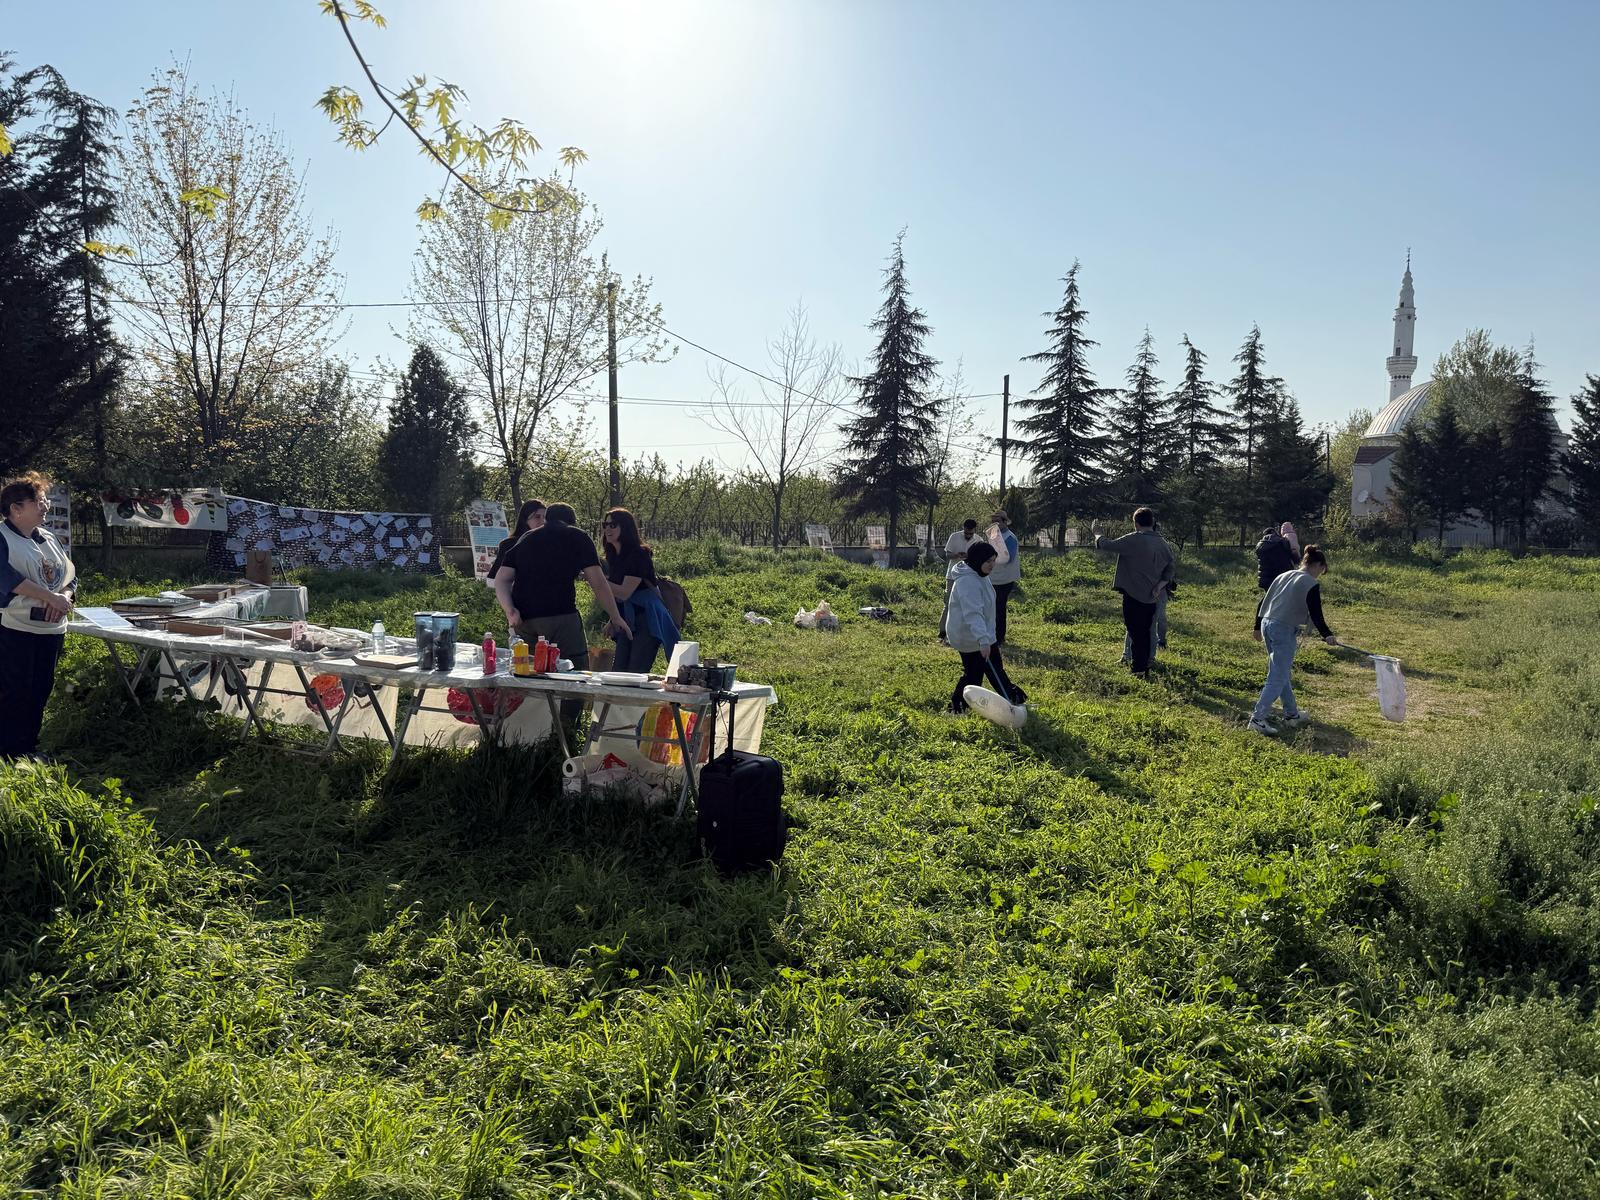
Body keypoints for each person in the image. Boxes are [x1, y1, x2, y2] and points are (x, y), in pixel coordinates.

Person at [493, 502, 632, 722]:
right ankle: (567, 727)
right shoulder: (577, 536)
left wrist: (510, 610)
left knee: (527, 674)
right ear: (572, 522)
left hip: (526, 620)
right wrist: (615, 617)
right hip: (562, 617)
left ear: (547, 519)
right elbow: (598, 582)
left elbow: (501, 579)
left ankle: (527, 727)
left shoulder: (526, 538)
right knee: (575, 674)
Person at [1, 472, 77, 759]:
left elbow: (70, 576)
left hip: (51, 628)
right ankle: (9, 751)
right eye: (38, 501)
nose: (46, 506)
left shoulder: (48, 537)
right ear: (16, 509)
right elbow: (7, 578)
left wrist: (64, 597)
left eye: (45, 500)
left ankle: (29, 748)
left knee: (40, 690)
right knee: (14, 691)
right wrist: (50, 597)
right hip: (15, 629)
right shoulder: (2, 537)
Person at [1249, 544, 1338, 736]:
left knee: (1281, 672)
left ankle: (1291, 715)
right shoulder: (1310, 583)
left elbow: (1264, 601)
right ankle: (1257, 719)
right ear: (1318, 565)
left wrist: (1256, 626)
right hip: (1282, 629)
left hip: (1267, 624)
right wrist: (1327, 635)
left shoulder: (1284, 575)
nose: (1319, 575)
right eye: (1322, 571)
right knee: (1278, 676)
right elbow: (1316, 613)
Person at [1091, 507, 1175, 679]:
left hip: (1134, 594)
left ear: (1136, 523)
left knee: (1136, 633)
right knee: (1146, 632)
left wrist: (1097, 533)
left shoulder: (1134, 539)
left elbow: (1106, 545)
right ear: (1152, 522)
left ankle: (1138, 670)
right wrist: (1160, 585)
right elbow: (1170, 569)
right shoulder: (1163, 543)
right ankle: (1145, 665)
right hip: (1152, 597)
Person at [945, 541, 1025, 714]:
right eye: (988, 561)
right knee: (973, 675)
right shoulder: (968, 581)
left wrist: (986, 637)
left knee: (995, 668)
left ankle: (1014, 701)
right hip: (969, 636)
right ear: (977, 559)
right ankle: (956, 709)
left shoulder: (979, 574)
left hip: (983, 634)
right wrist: (982, 640)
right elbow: (973, 614)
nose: (992, 565)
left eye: (994, 560)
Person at [599, 507, 678, 672]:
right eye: (605, 525)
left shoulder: (639, 554)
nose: (607, 529)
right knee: (618, 672)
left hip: (646, 618)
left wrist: (598, 581)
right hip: (627, 618)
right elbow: (618, 594)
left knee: (636, 672)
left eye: (613, 525)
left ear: (625, 527)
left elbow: (624, 592)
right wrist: (613, 619)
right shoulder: (613, 555)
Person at [1122, 523, 1177, 664]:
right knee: (1132, 624)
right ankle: (1127, 656)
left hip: (1158, 593)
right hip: (1140, 592)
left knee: (1152, 625)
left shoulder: (1163, 546)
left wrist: (1159, 586)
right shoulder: (1141, 545)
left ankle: (1151, 657)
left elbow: (1169, 571)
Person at [938, 518, 981, 641]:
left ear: (974, 530)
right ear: (963, 528)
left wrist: (969, 556)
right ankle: (942, 631)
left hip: (970, 576)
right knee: (948, 603)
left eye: (971, 533)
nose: (968, 535)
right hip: (953, 575)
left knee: (966, 604)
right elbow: (947, 555)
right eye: (966, 533)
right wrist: (956, 555)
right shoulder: (954, 536)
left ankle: (961, 631)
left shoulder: (979, 540)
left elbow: (980, 558)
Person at [486, 499, 545, 581]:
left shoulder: (552, 544)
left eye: (545, 517)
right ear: (525, 520)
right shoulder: (510, 544)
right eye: (537, 517)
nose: (543, 521)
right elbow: (493, 577)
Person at [986, 510, 1022, 645]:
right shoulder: (993, 536)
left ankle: (999, 637)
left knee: (999, 607)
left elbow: (1007, 558)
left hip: (1005, 578)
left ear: (1005, 522)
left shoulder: (1010, 537)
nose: (995, 524)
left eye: (998, 521)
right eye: (993, 522)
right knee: (991, 607)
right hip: (993, 577)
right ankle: (992, 634)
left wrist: (990, 559)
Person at [1255, 525, 1296, 590]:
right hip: (1281, 577)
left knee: (1268, 595)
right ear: (1273, 532)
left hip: (1265, 578)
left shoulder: (1260, 545)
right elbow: (1291, 555)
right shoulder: (1282, 541)